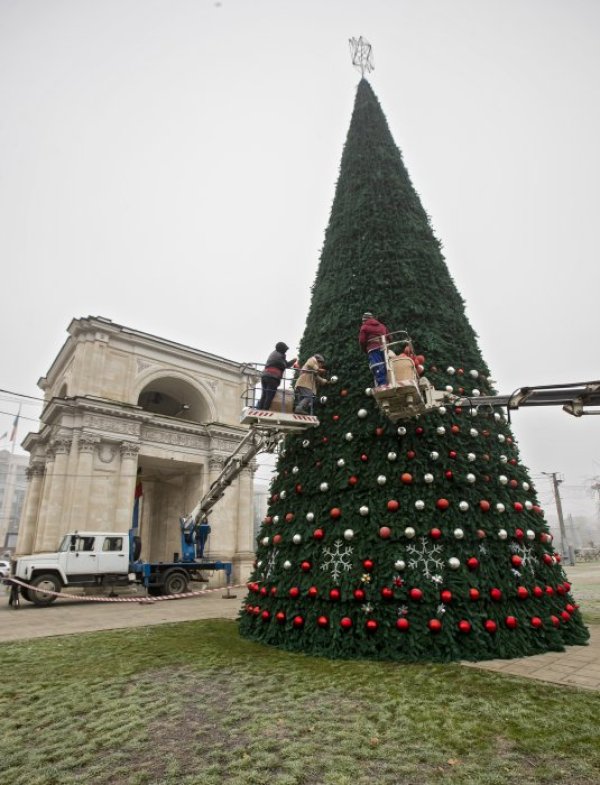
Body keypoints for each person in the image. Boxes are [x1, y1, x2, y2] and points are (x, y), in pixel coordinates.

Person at [256, 342, 297, 410]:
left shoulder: (273, 353)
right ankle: (265, 410)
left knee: (264, 394)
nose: (286, 351)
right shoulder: (280, 355)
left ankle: (259, 409)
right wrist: (294, 361)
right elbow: (285, 365)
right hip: (273, 377)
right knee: (270, 395)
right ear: (282, 349)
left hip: (265, 375)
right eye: (285, 350)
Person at [358, 312, 389, 387]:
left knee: (377, 365)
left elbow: (362, 341)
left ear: (364, 320)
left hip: (373, 349)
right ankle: (389, 382)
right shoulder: (382, 326)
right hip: (384, 348)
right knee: (386, 365)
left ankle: (382, 384)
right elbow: (389, 337)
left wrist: (365, 350)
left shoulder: (364, 327)